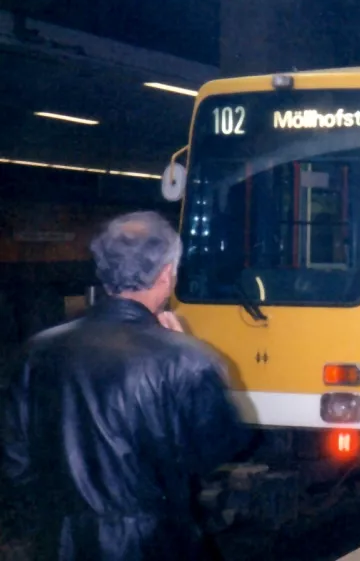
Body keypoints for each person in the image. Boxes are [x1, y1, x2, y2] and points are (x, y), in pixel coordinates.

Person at [1, 211, 249, 561]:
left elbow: (15, 461)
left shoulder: (36, 351)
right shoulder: (185, 360)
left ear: (104, 274)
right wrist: (200, 364)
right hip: (153, 544)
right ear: (166, 274)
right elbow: (216, 450)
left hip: (58, 539)